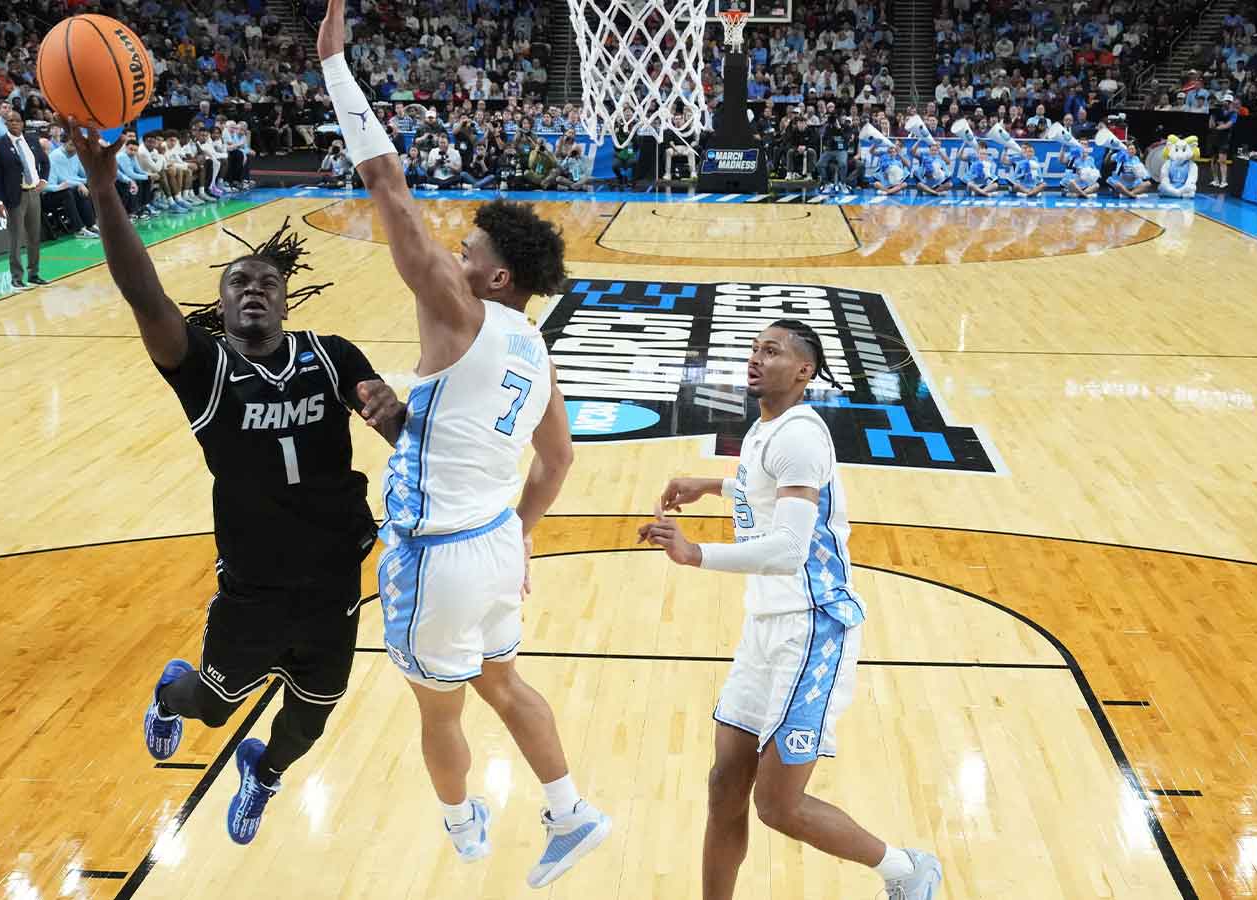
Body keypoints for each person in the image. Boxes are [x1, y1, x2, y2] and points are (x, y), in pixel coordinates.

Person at [316, 1, 612, 888]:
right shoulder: (535, 349)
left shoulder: (460, 308)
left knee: (438, 711)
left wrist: (335, 66)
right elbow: (554, 463)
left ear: (496, 276)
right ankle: (569, 812)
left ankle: (463, 822)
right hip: (490, 546)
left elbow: (386, 182)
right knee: (504, 684)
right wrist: (412, 434)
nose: (453, 250)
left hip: (437, 556)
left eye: (468, 246)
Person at [68, 118, 408, 846]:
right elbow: (144, 295)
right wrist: (103, 188)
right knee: (214, 706)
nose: (253, 289)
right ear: (220, 306)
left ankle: (266, 771)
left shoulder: (332, 353)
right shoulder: (203, 369)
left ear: (287, 299)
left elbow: (394, 423)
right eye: (237, 282)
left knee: (312, 715)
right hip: (254, 585)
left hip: (332, 579)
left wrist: (391, 413)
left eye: (266, 282)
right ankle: (168, 690)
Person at [639, 319, 943, 900]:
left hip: (813, 627)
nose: (756, 359)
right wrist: (713, 484)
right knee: (724, 783)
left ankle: (906, 869)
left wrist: (695, 551)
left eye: (771, 352)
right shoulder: (765, 430)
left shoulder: (802, 435)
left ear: (804, 371)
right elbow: (764, 485)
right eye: (754, 350)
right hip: (765, 626)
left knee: (778, 806)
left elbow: (788, 550)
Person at [0, 109, 49, 291]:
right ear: (6, 124)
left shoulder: (31, 140)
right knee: (16, 238)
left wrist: (43, 180)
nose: (14, 123)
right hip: (15, 196)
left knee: (34, 236)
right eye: (11, 121)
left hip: (33, 193)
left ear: (23, 123)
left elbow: (45, 162)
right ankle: (16, 278)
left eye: (17, 121)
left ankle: (34, 274)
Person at [1208, 94, 1237, 189]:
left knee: (1222, 160)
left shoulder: (1233, 113)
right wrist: (1212, 116)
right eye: (1226, 101)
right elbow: (1211, 126)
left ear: (1231, 103)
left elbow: (1228, 125)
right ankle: (1215, 180)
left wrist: (1218, 126)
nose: (1227, 103)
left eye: (1229, 102)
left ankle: (1224, 181)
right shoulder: (1217, 112)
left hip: (1224, 139)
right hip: (1214, 138)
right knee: (1213, 160)